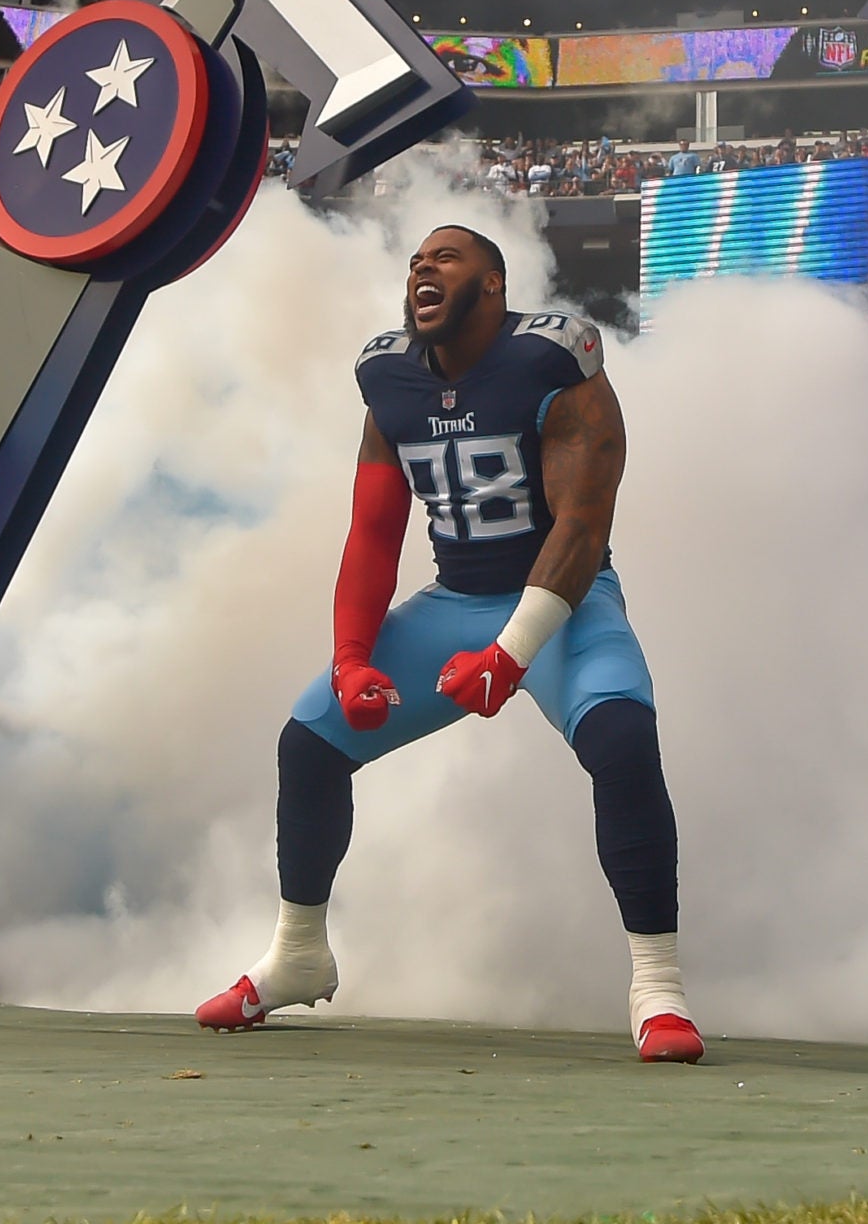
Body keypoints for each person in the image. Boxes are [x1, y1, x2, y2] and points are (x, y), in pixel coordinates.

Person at [195, 225, 702, 1062]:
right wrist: (354, 658)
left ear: (493, 286)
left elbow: (581, 526)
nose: (423, 266)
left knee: (623, 740)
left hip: (561, 598)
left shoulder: (555, 360)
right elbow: (371, 535)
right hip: (455, 598)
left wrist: (511, 654)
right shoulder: (387, 378)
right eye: (416, 260)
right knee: (311, 743)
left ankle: (658, 987)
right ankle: (297, 954)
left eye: (447, 257)